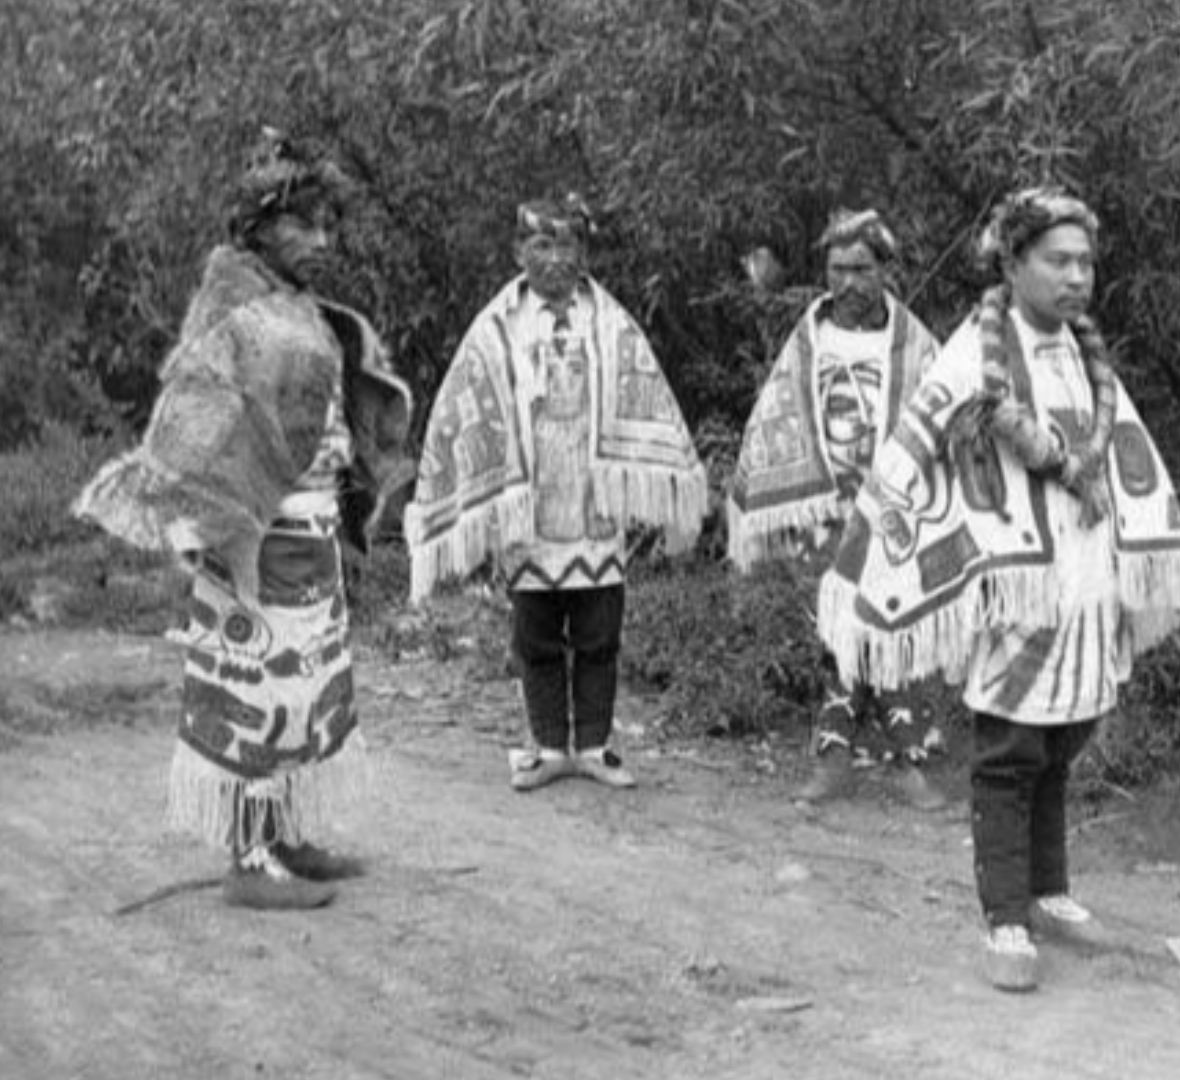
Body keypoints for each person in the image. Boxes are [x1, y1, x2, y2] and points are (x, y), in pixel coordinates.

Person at [818, 187, 1180, 992]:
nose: (1077, 277)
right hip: (1014, 577)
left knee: (1068, 736)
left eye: (1086, 262)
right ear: (1015, 263)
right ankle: (1005, 917)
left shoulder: (1084, 352)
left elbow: (1119, 449)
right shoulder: (973, 354)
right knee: (1011, 747)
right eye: (1057, 261)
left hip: (1083, 567)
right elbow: (919, 447)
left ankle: (1049, 889)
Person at [73, 129, 415, 909]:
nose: (322, 241)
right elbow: (196, 417)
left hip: (311, 530)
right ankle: (249, 858)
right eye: (304, 224)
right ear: (259, 227)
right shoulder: (230, 304)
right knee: (256, 691)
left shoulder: (299, 305)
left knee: (304, 691)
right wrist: (217, 524)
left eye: (327, 224)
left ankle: (288, 837)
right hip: (255, 535)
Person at [405, 196, 707, 792]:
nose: (554, 259)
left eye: (567, 245)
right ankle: (547, 746)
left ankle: (593, 744)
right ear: (519, 252)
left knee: (599, 631)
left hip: (592, 503)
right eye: (541, 245)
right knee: (537, 634)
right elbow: (464, 403)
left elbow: (645, 390)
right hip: (531, 505)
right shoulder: (499, 327)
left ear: (584, 253)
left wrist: (667, 481)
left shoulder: (609, 321)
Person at [727, 209, 947, 810]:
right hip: (828, 510)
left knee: (895, 625)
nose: (847, 283)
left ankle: (907, 761)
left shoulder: (916, 345)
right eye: (837, 270)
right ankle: (834, 758)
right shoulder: (811, 337)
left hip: (897, 514)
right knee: (836, 629)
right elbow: (780, 414)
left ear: (885, 271)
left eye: (861, 269)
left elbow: (944, 420)